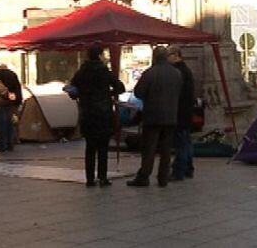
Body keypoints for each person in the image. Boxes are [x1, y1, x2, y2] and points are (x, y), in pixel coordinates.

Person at [126, 46, 182, 188]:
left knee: (149, 149)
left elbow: (138, 92)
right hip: (171, 116)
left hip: (153, 116)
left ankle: (144, 176)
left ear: (155, 57)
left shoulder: (150, 73)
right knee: (166, 150)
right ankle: (163, 178)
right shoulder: (176, 73)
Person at [70, 46, 125, 187]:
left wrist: (82, 95)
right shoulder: (104, 71)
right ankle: (102, 177)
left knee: (90, 147)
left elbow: (72, 90)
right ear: (100, 55)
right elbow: (120, 87)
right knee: (103, 147)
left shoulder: (81, 72)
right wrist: (108, 95)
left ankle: (89, 179)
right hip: (103, 113)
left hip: (87, 112)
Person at [167, 45, 195, 181]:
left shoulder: (178, 71)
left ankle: (179, 171)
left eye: (169, 55)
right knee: (186, 141)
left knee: (181, 143)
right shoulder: (185, 70)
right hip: (186, 111)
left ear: (176, 55)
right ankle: (188, 168)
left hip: (180, 111)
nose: (167, 58)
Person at [0, 65, 22, 153]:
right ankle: (9, 144)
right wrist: (16, 100)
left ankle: (2, 145)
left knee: (1, 124)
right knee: (9, 123)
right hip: (10, 102)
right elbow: (17, 87)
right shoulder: (12, 74)